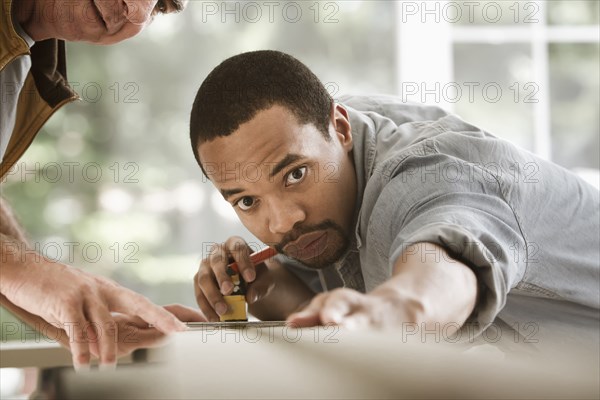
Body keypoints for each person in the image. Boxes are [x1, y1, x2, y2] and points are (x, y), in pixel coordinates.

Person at [191, 50, 599, 347]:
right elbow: (333, 320)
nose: (280, 222)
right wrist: (264, 289)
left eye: (294, 175)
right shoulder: (318, 145)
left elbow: (441, 273)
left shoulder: (433, 173)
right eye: (246, 201)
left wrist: (397, 310)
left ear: (340, 128)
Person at [0, 0, 205, 371]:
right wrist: (24, 270)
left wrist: (77, 326)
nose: (137, 13)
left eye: (158, 8)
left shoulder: (24, 61)